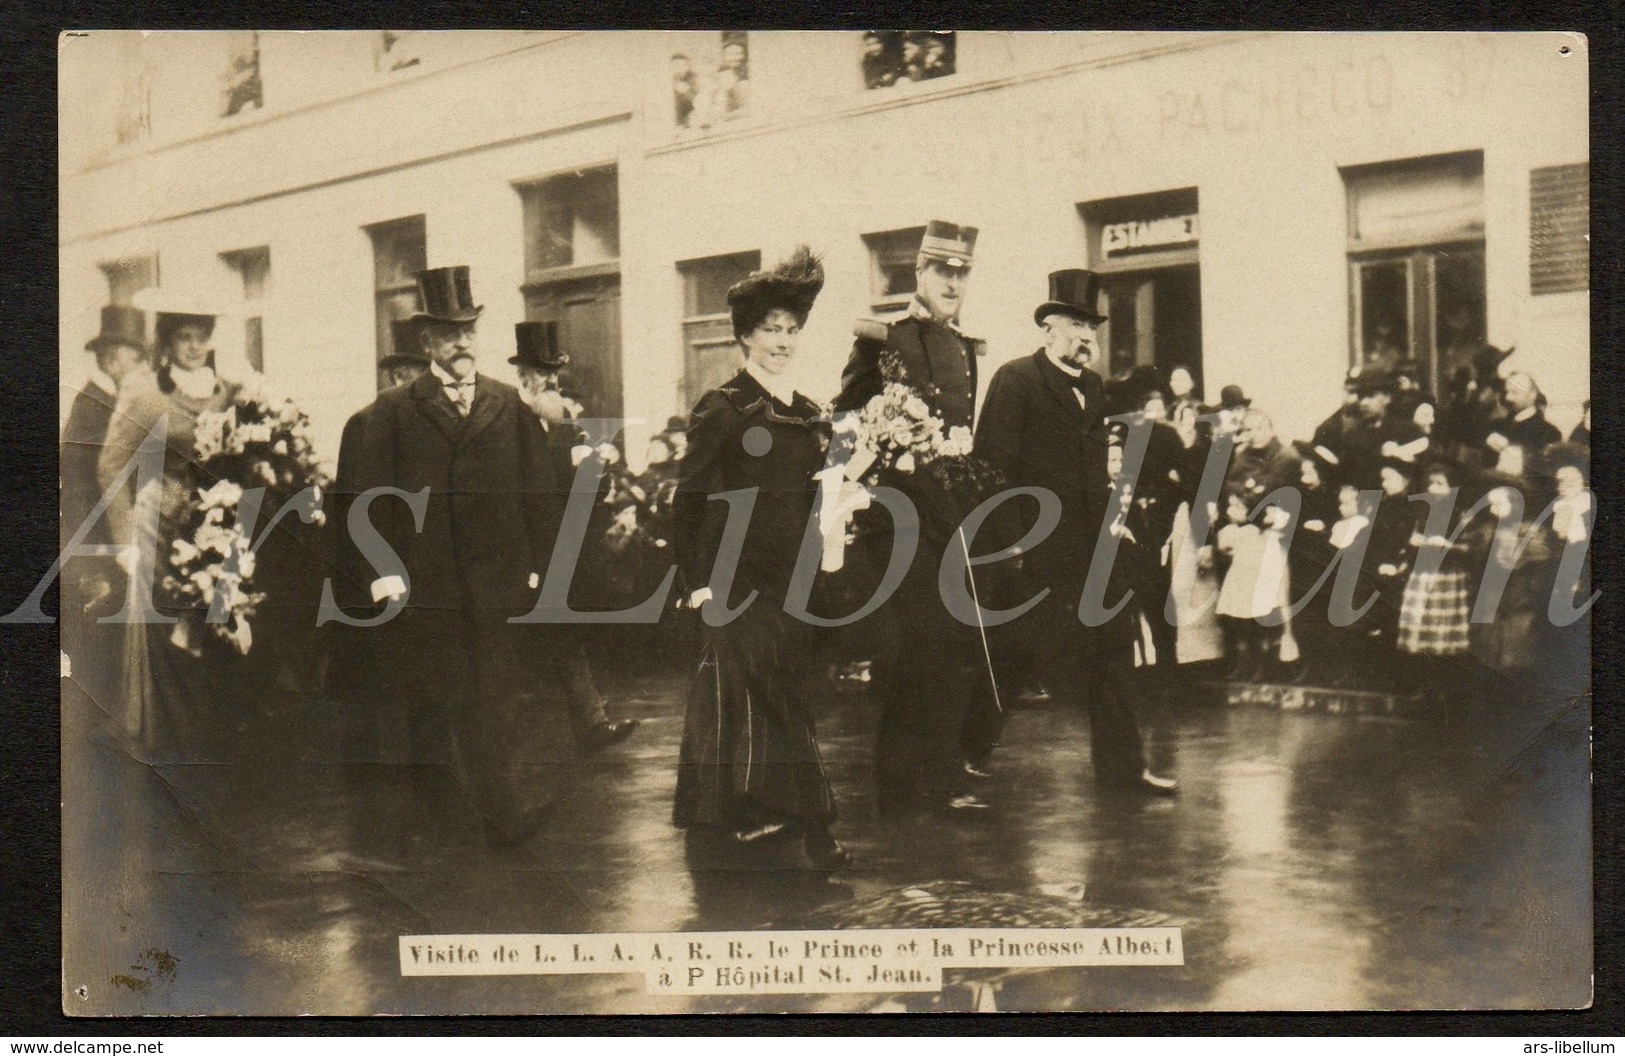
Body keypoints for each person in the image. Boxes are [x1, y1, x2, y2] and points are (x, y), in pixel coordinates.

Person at [353, 265, 560, 847]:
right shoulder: (394, 409)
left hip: (496, 581)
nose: (462, 342)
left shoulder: (505, 402)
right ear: (427, 344)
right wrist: (385, 573)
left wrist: (539, 561)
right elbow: (370, 499)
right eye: (448, 334)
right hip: (426, 582)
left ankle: (501, 813)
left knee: (493, 694)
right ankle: (438, 812)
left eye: (468, 330)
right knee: (432, 697)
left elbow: (537, 488)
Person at [671, 246, 847, 870]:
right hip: (731, 577)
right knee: (743, 697)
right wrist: (695, 583)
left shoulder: (808, 414)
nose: (782, 341)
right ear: (746, 337)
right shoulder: (721, 408)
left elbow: (816, 498)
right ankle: (801, 828)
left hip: (789, 577)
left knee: (785, 692)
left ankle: (772, 815)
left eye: (791, 330)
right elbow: (688, 500)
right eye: (771, 330)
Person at [976, 269, 1176, 796]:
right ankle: (960, 762)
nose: (1087, 338)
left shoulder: (1093, 388)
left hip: (1092, 548)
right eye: (1075, 325)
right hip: (1035, 551)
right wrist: (1012, 544)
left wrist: (1119, 524)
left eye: (1093, 328)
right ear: (1047, 328)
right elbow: (993, 469)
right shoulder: (1015, 379)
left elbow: (1096, 472)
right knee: (1011, 656)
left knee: (1114, 652)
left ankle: (1124, 771)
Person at [834, 221, 995, 815]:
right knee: (924, 642)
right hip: (897, 519)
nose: (953, 283)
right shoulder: (881, 339)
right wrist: (880, 442)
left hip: (954, 515)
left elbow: (964, 440)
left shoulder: (966, 350)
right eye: (942, 272)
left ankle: (938, 773)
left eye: (962, 274)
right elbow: (844, 419)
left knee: (956, 643)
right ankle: (902, 783)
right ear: (920, 273)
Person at [97, 296, 241, 759]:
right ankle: (168, 738)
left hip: (214, 520)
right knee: (166, 621)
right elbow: (109, 465)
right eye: (184, 337)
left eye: (202, 336)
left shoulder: (227, 390)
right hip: (157, 525)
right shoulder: (145, 393)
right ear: (167, 341)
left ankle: (207, 731)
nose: (195, 347)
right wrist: (124, 543)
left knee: (211, 617)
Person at [510, 320, 638, 751]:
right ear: (522, 376)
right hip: (521, 546)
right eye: (540, 373)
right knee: (527, 641)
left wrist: (593, 462)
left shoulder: (567, 425)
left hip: (562, 549)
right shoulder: (507, 420)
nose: (550, 382)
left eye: (554, 375)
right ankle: (539, 732)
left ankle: (591, 725)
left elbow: (593, 491)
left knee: (565, 637)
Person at [326, 317, 432, 730]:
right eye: (406, 373)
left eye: (420, 373)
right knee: (376, 666)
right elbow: (355, 504)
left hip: (424, 556)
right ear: (392, 375)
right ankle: (370, 763)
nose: (412, 383)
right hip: (377, 558)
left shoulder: (433, 421)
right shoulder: (365, 422)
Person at [62, 305, 152, 708]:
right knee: (99, 657)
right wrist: (88, 566)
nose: (123, 362)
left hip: (135, 538)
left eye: (132, 354)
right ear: (104, 357)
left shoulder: (139, 398)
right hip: (98, 542)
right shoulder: (91, 404)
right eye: (115, 354)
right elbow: (76, 490)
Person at [1485, 371, 1561, 469]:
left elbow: (1543, 475)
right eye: (1507, 392)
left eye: (1515, 392)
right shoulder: (1496, 426)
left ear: (1532, 395)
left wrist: (1514, 453)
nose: (1508, 398)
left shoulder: (1549, 433)